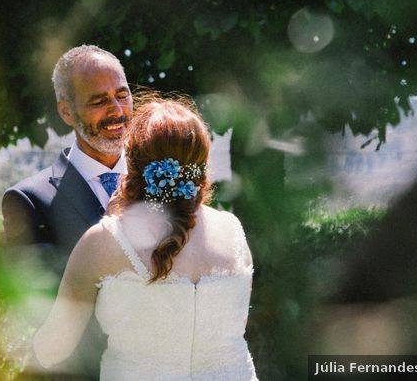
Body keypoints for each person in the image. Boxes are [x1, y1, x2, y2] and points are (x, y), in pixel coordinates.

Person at [33, 97, 257, 380]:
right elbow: (237, 324)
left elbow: (53, 349)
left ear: (133, 164)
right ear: (201, 165)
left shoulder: (103, 242)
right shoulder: (232, 230)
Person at [1, 44, 133, 378]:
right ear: (66, 112)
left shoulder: (161, 181)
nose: (117, 111)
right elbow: (44, 313)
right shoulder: (29, 200)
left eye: (122, 95)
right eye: (99, 101)